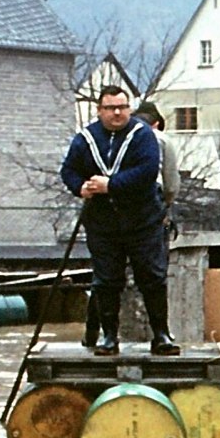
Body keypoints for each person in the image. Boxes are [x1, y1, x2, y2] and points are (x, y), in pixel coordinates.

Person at [61, 85, 180, 356]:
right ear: (100, 110)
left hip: (142, 220)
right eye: (111, 108)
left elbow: (147, 171)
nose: (117, 113)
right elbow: (69, 170)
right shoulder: (85, 139)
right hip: (103, 223)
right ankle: (109, 337)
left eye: (122, 107)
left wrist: (111, 185)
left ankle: (161, 334)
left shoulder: (143, 135)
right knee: (106, 280)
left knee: (152, 276)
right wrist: (80, 187)